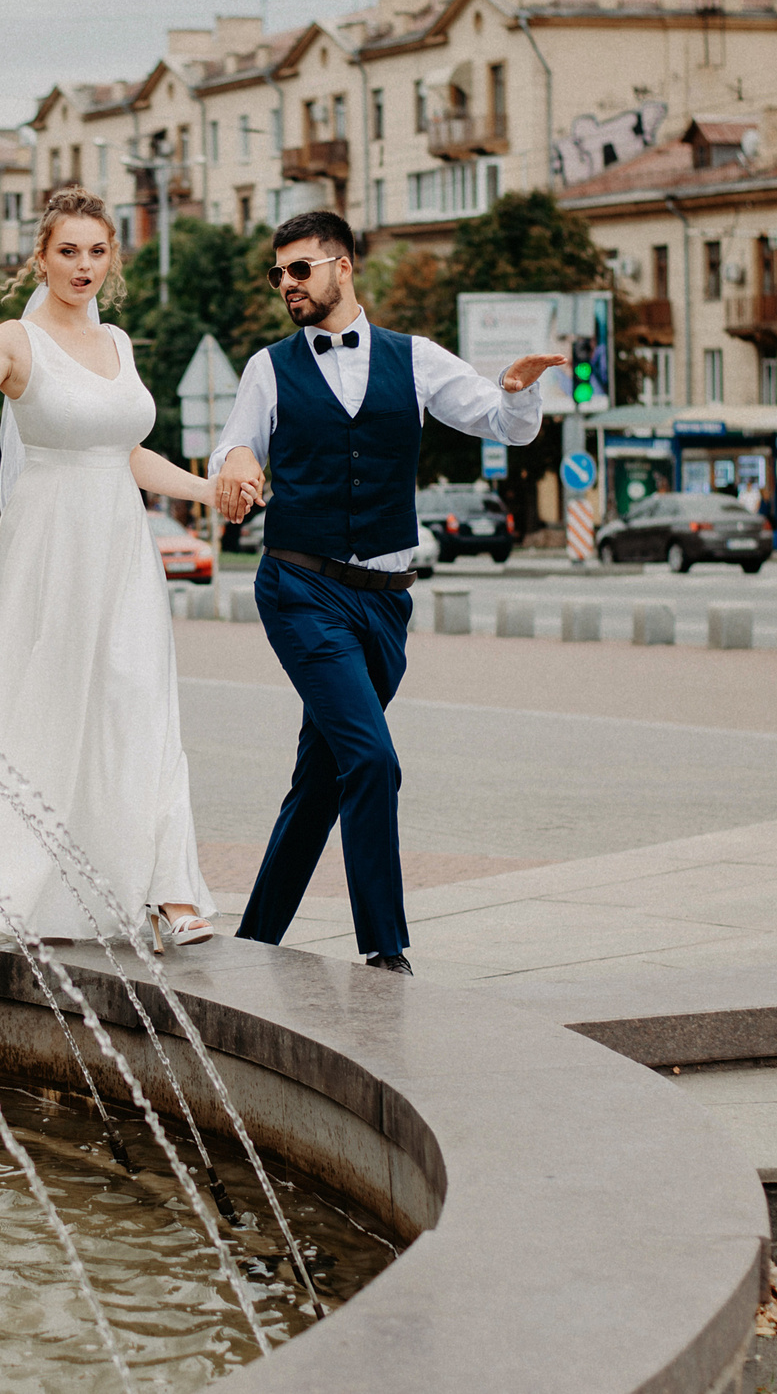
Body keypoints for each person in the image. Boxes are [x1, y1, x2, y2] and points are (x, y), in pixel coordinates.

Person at [211, 210, 563, 976]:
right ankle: (385, 949)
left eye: (299, 270)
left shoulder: (415, 358)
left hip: (386, 602)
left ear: (343, 267)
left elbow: (501, 422)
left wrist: (518, 390)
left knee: (321, 776)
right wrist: (237, 465)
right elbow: (234, 440)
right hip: (300, 587)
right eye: (277, 275)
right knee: (371, 760)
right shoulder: (269, 368)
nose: (286, 286)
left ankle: (253, 944)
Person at [0, 185, 220, 950]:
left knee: (140, 701)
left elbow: (126, 452)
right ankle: (36, 884)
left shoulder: (121, 345)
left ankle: (168, 889)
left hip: (122, 548)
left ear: (113, 259)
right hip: (51, 553)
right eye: (68, 250)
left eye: (97, 251)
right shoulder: (16, 340)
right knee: (50, 711)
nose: (84, 265)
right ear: (40, 256)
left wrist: (207, 487)